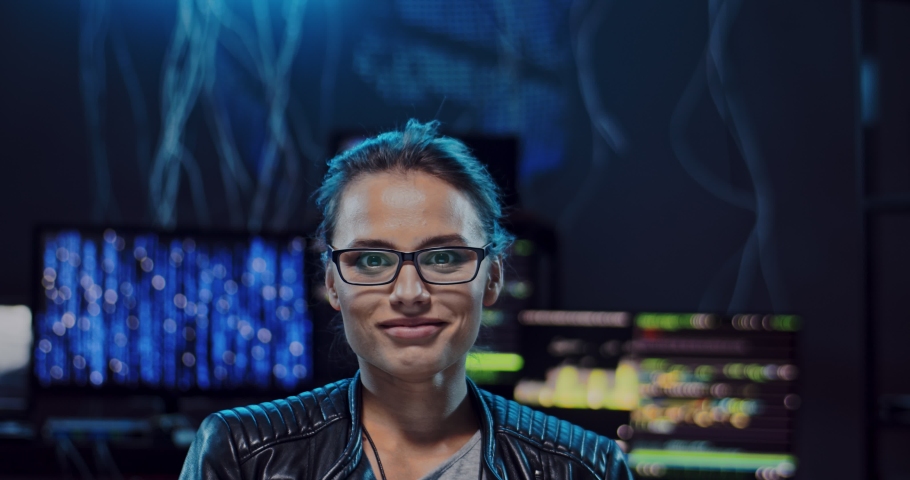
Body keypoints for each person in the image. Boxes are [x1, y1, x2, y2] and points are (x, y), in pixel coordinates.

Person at [180, 120, 632, 479]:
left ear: (492, 278)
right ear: (333, 284)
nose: (410, 293)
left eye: (444, 256)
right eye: (372, 260)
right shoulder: (241, 455)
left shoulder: (585, 468)